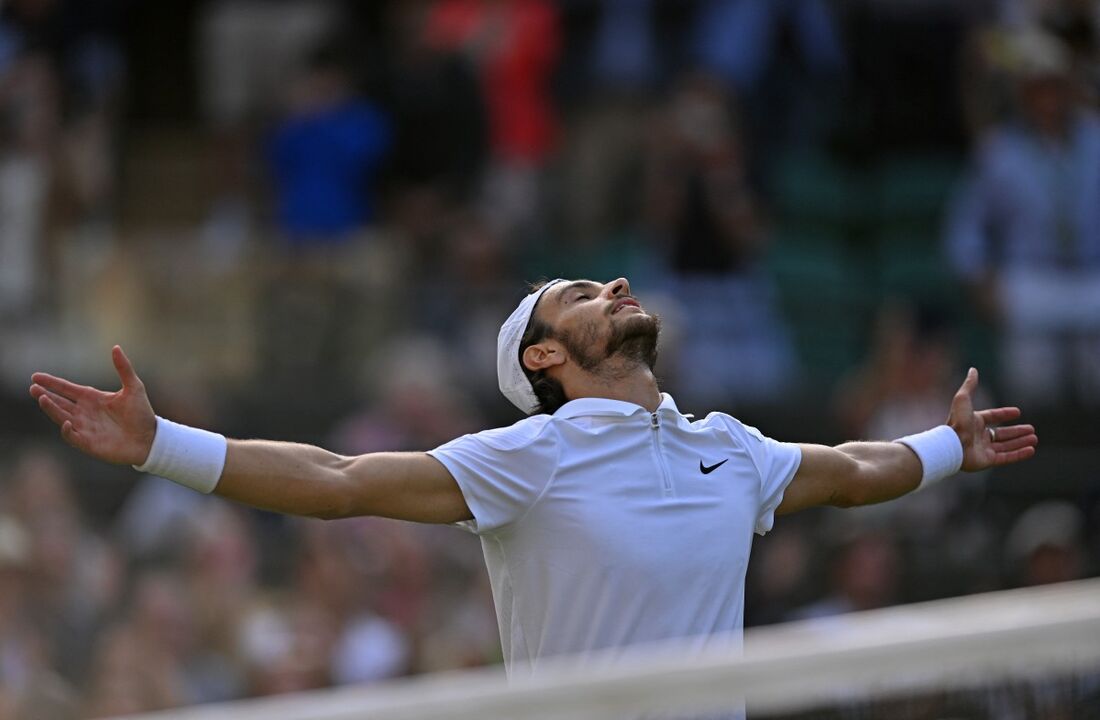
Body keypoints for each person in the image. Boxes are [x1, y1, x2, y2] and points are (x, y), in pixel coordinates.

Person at [28, 277, 1037, 707]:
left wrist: (945, 447)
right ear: (549, 353)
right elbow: (339, 483)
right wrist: (161, 445)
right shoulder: (532, 453)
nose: (611, 289)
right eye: (579, 296)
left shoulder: (730, 447)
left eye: (604, 283)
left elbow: (856, 471)